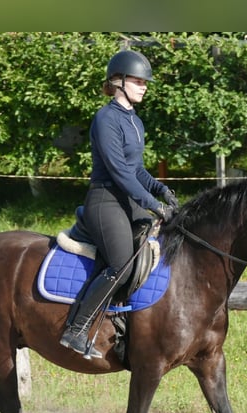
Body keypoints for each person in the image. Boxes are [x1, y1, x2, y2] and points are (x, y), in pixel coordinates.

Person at [59, 49, 179, 359]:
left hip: (128, 201)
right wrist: (153, 204)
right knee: (122, 264)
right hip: (106, 201)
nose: (144, 86)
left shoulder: (135, 121)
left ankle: (129, 325)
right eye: (139, 81)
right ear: (118, 81)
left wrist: (161, 189)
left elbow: (137, 170)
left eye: (145, 82)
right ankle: (76, 330)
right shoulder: (105, 119)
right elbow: (120, 172)